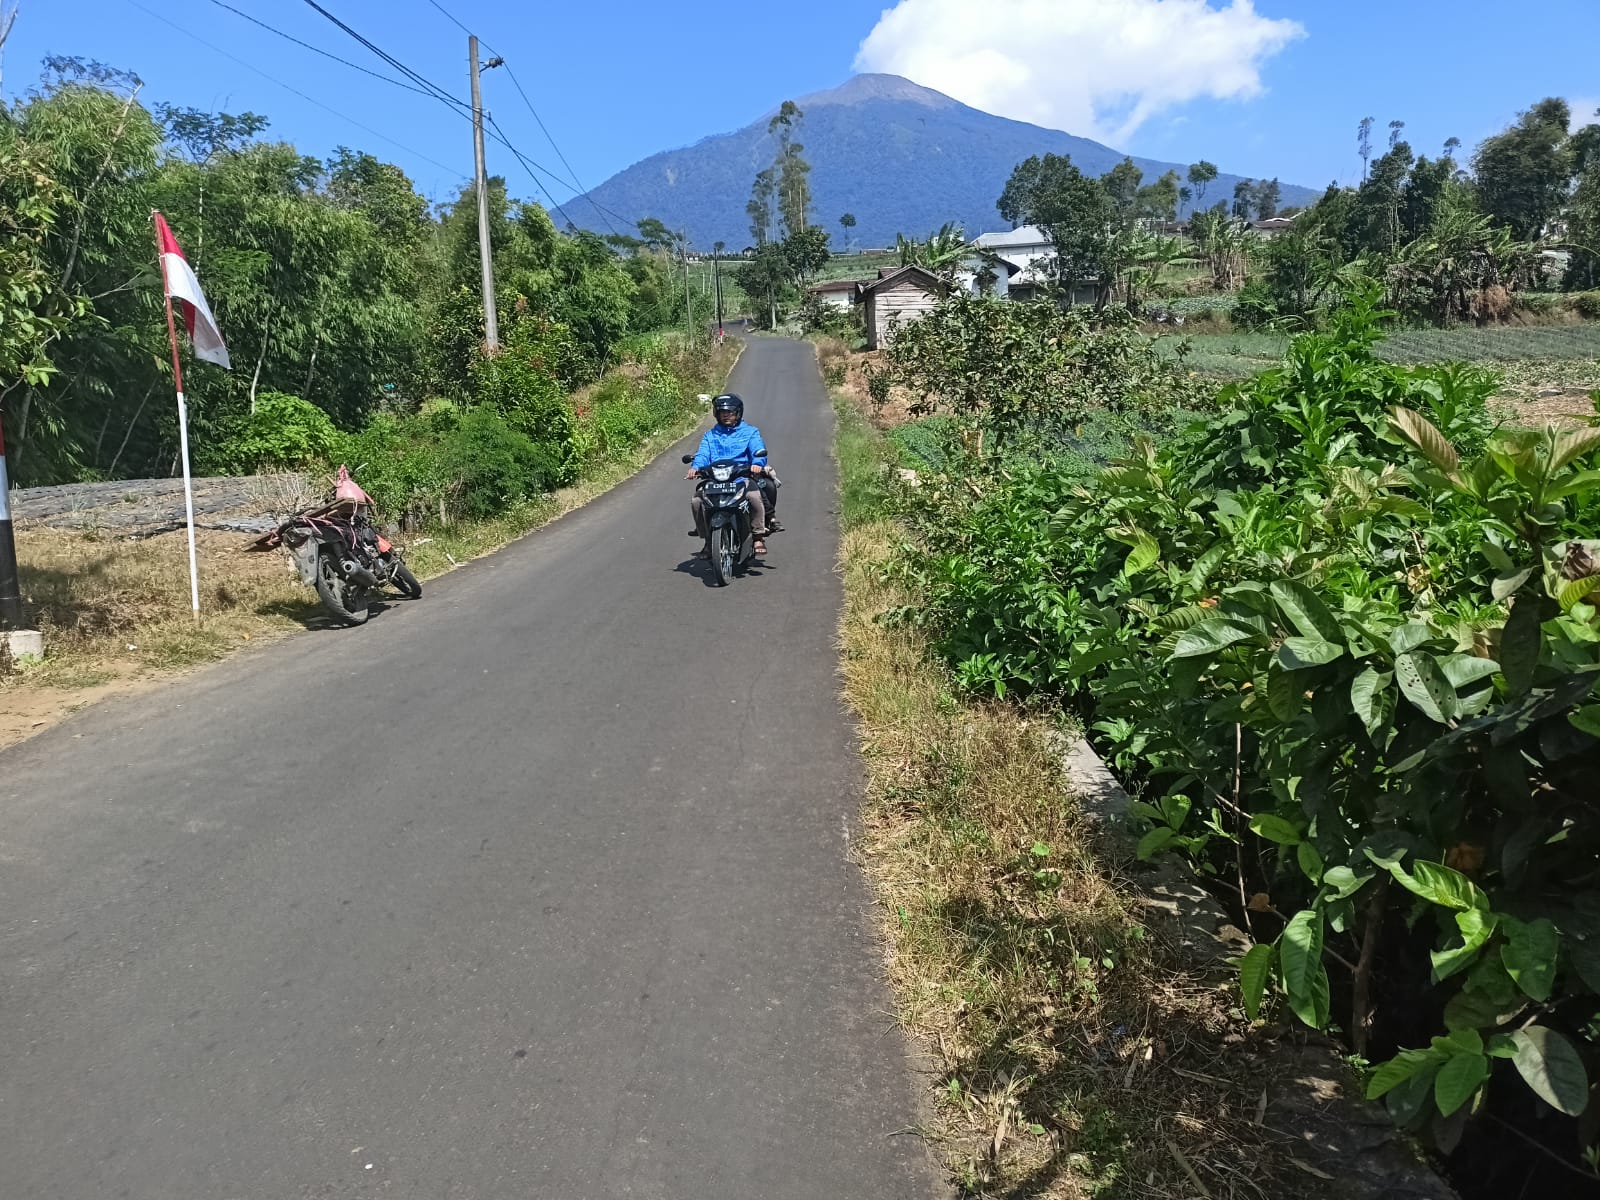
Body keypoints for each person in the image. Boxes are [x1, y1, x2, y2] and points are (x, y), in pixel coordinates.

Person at [688, 393, 772, 555]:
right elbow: (703, 454)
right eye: (722, 413)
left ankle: (758, 536)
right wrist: (696, 467)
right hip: (715, 479)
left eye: (730, 412)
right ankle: (707, 539)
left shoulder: (750, 432)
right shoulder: (710, 435)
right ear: (716, 414)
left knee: (754, 497)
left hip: (741, 477)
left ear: (738, 413)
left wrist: (756, 464)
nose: (726, 416)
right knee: (697, 501)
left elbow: (757, 449)